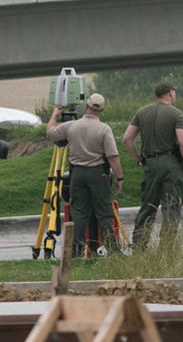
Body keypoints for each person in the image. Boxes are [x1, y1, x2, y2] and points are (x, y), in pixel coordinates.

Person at [46, 93, 123, 257]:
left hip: (77, 173)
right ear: (102, 110)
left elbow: (51, 133)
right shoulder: (104, 129)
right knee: (104, 212)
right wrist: (119, 177)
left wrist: (54, 115)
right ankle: (113, 251)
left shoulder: (72, 126)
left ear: (86, 106)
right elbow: (112, 156)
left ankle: (75, 252)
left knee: (79, 213)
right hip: (98, 173)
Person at [122, 82, 183, 250]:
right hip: (170, 164)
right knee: (171, 207)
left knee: (148, 205)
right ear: (171, 93)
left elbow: (126, 139)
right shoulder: (176, 114)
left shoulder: (142, 112)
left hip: (150, 164)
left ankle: (139, 245)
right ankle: (166, 247)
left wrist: (139, 159)